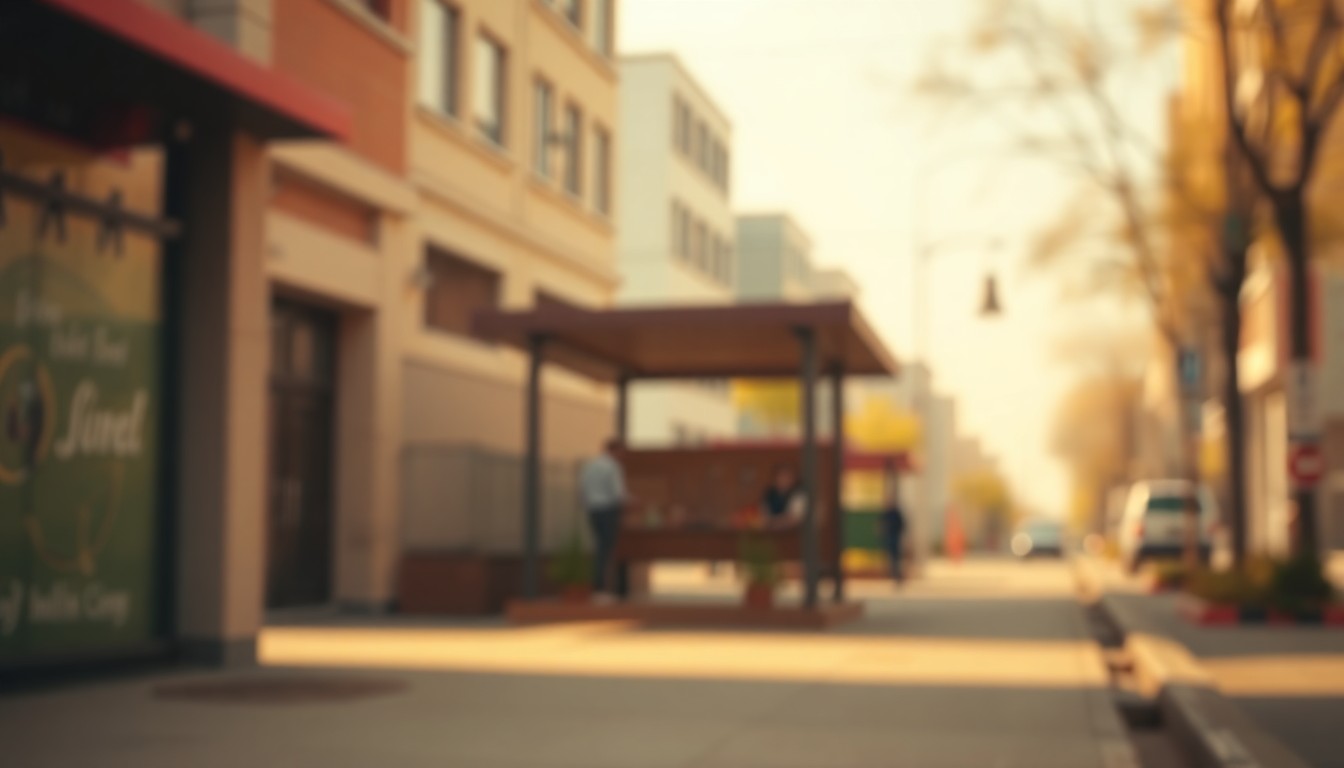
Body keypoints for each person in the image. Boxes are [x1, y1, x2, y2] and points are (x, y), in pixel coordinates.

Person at [579, 438, 627, 595]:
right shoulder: (613, 466)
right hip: (607, 509)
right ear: (615, 450)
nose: (622, 455)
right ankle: (603, 588)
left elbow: (583, 488)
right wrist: (631, 501)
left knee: (600, 548)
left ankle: (598, 586)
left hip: (593, 509)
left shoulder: (591, 465)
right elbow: (617, 492)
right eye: (620, 452)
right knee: (606, 549)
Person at [880, 458, 907, 586]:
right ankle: (896, 575)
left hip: (894, 536)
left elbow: (902, 524)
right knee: (893, 557)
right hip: (892, 536)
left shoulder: (894, 511)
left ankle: (897, 576)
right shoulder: (889, 511)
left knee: (895, 557)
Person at [760, 464, 805, 528]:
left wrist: (773, 522)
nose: (783, 480)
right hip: (771, 532)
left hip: (792, 534)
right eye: (780, 476)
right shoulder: (769, 494)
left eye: (787, 476)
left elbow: (794, 519)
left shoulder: (799, 494)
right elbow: (764, 516)